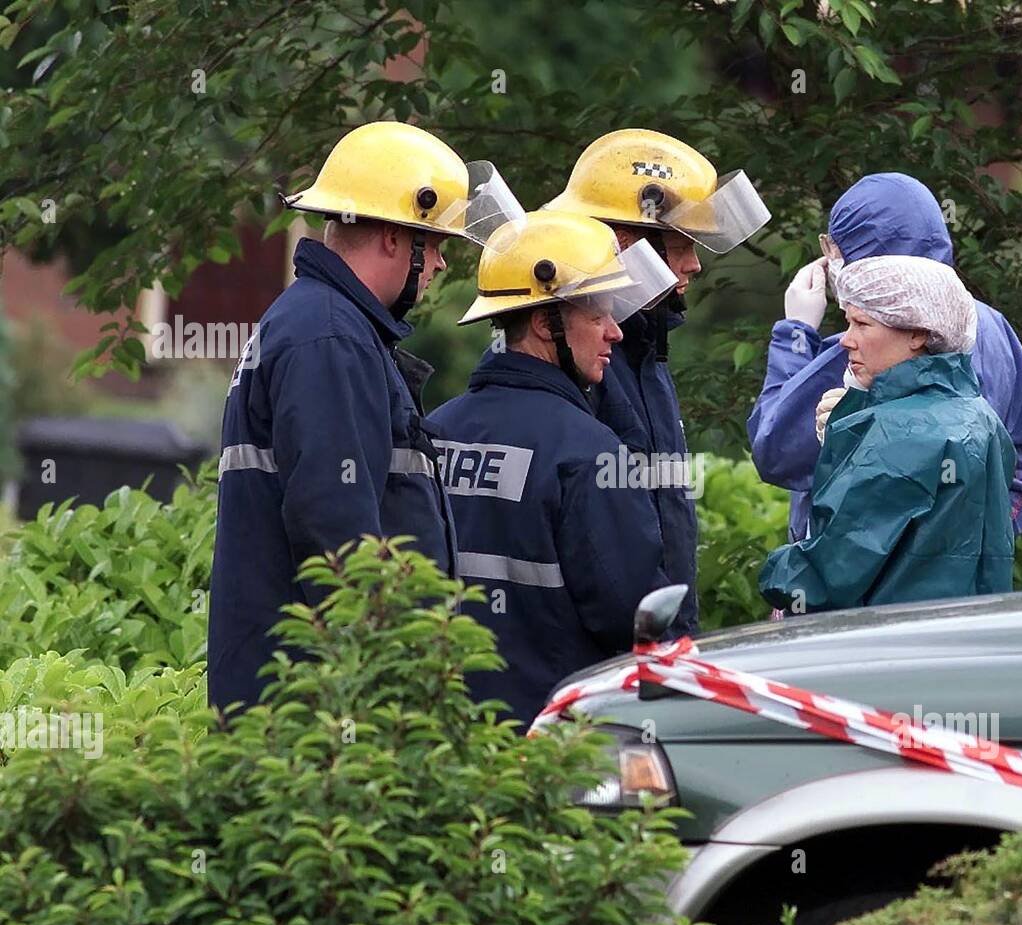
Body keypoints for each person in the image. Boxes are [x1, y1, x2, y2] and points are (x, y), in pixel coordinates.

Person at [208, 121, 520, 711]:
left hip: (291, 689)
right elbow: (336, 522)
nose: (441, 268)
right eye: (439, 245)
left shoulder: (317, 323)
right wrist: (390, 674)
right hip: (317, 703)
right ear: (394, 240)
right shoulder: (330, 337)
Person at [425, 210, 678, 720]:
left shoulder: (432, 432)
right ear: (545, 322)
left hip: (439, 737)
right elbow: (633, 617)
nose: (616, 333)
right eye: (597, 315)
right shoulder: (591, 453)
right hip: (550, 745)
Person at [543, 129, 771, 637]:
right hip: (608, 660)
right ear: (626, 244)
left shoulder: (643, 350)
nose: (694, 262)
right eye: (681, 244)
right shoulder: (581, 362)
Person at [747, 172, 1022, 543]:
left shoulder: (871, 348)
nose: (829, 262)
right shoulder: (992, 325)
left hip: (864, 590)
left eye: (833, 251)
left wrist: (795, 334)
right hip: (964, 582)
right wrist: (988, 539)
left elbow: (776, 450)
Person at [759, 254, 1016, 613]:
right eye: (848, 323)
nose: (846, 340)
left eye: (862, 324)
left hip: (879, 647)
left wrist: (777, 582)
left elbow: (829, 574)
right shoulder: (980, 416)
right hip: (959, 638)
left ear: (918, 333)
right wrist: (852, 424)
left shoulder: (897, 434)